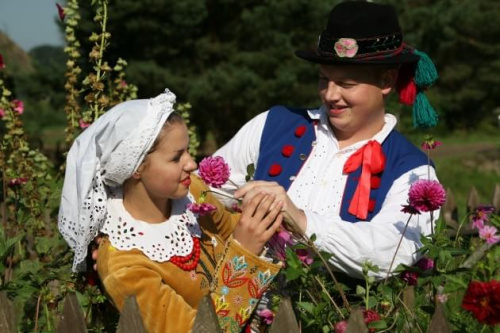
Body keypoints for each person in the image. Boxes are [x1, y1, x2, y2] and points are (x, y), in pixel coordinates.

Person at [211, 1, 440, 280]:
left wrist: (302, 221)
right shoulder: (272, 124)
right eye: (323, 79)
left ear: (387, 81)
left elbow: (394, 252)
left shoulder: (414, 170)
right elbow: (205, 192)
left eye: (346, 84)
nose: (330, 94)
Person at [58, 89, 284, 332]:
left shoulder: (193, 193)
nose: (192, 164)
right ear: (136, 168)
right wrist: (244, 256)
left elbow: (231, 228)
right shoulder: (124, 266)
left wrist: (264, 213)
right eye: (176, 158)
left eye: (187, 151)